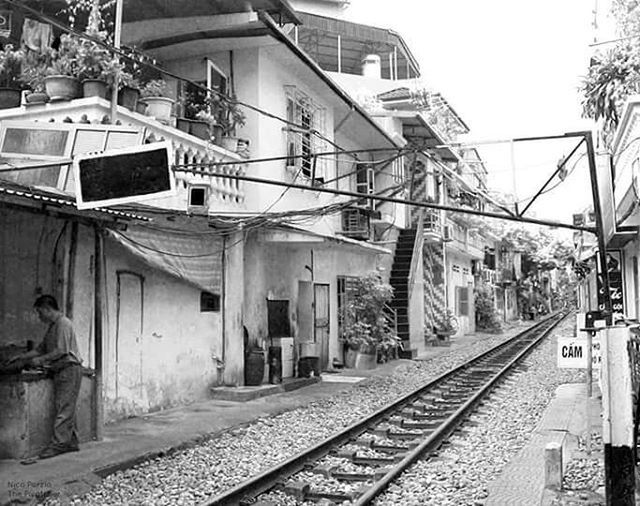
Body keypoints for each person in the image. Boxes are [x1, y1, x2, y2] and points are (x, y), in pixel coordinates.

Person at [10, 295, 83, 459]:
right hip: (62, 370)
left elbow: (61, 350)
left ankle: (58, 445)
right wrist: (22, 357)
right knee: (66, 407)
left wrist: (39, 360)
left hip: (69, 369)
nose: (39, 316)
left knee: (64, 408)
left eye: (39, 312)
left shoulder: (63, 323)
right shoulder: (53, 326)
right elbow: (41, 349)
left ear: (47, 309)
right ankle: (71, 442)